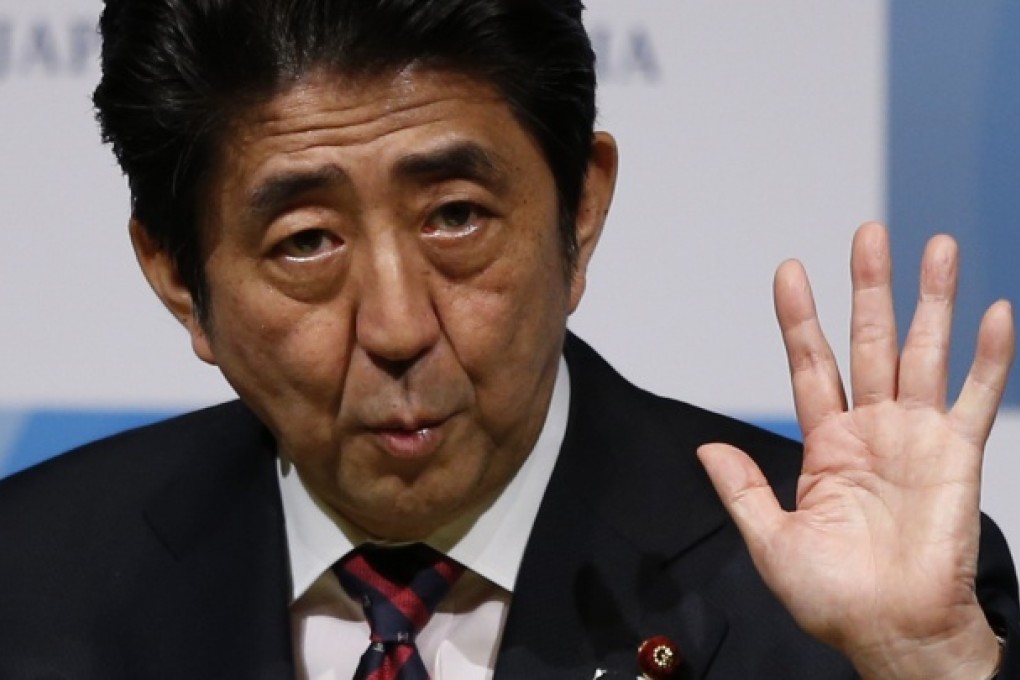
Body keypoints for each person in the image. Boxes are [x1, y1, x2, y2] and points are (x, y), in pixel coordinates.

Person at [0, 0, 1016, 678]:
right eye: (306, 240)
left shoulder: (836, 592)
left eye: (455, 216)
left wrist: (929, 664)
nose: (398, 327)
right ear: (179, 277)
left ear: (580, 213)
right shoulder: (29, 580)